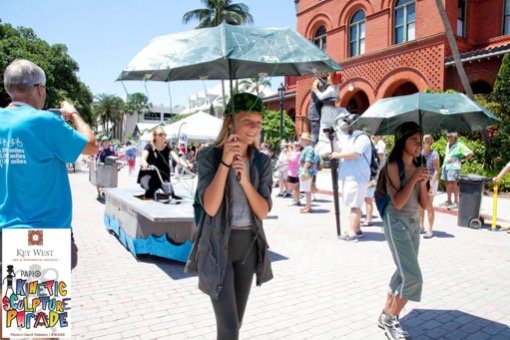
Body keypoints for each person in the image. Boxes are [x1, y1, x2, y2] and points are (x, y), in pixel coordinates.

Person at [0, 60, 97, 290]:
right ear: (39, 89)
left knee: (11, 315)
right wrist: (73, 113)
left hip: (5, 231)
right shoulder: (44, 121)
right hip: (42, 238)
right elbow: (91, 146)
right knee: (37, 320)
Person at [185, 93, 273, 340]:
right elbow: (210, 207)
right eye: (248, 121)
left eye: (258, 122)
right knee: (229, 328)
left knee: (235, 322)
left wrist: (244, 179)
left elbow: (263, 211)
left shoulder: (262, 162)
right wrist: (224, 164)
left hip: (248, 247)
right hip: (216, 246)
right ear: (230, 123)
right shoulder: (208, 156)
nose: (254, 128)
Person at [376, 121, 429, 340]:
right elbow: (397, 202)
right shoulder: (392, 167)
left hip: (413, 223)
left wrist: (423, 182)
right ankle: (391, 318)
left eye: (420, 140)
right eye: (413, 140)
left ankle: (384, 314)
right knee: (414, 276)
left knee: (402, 270)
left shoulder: (420, 164)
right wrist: (414, 177)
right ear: (402, 142)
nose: (418, 144)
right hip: (395, 222)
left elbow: (424, 205)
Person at [329, 113, 372, 241]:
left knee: (355, 205)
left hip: (357, 176)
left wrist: (337, 156)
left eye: (349, 122)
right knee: (353, 203)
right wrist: (331, 139)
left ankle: (352, 233)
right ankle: (357, 230)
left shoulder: (363, 137)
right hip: (350, 176)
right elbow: (340, 150)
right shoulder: (351, 137)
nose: (346, 125)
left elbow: (355, 154)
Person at [137, 126, 192, 199]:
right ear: (154, 136)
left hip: (163, 176)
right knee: (150, 192)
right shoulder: (149, 146)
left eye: (161, 134)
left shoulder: (167, 147)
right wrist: (144, 163)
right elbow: (143, 158)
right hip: (150, 175)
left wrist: (186, 164)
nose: (159, 137)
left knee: (171, 195)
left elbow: (177, 158)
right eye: (157, 135)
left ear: (164, 136)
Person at [440, 132, 473, 210]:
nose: (448, 138)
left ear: (454, 136)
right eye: (447, 136)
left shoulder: (459, 145)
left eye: (450, 136)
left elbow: (471, 153)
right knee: (447, 183)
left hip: (454, 167)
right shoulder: (448, 144)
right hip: (446, 166)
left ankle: (456, 202)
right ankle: (449, 201)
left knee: (454, 184)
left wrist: (462, 160)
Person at [419, 134, 440, 238]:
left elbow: (437, 171)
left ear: (430, 142)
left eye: (427, 141)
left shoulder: (434, 154)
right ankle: (421, 226)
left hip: (431, 181)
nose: (424, 143)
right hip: (421, 181)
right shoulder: (420, 154)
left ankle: (430, 230)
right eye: (423, 141)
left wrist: (431, 183)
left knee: (429, 205)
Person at [298, 132, 317, 213]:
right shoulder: (308, 148)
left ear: (307, 141)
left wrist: (304, 170)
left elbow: (308, 161)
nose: (300, 141)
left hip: (306, 171)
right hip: (307, 171)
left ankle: (308, 207)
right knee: (307, 190)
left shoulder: (309, 149)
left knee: (307, 190)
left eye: (302, 140)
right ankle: (307, 206)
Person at [287, 141, 302, 206]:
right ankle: (296, 200)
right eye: (295, 145)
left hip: (294, 172)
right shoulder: (294, 152)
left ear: (299, 147)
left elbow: (293, 160)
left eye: (297, 145)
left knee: (295, 187)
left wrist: (288, 157)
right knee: (293, 187)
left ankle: (296, 200)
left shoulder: (298, 153)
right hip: (291, 172)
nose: (296, 147)